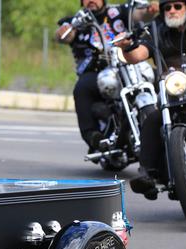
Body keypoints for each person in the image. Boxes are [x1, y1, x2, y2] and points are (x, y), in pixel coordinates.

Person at [114, 0, 186, 199]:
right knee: (152, 121)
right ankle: (148, 174)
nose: (172, 11)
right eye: (167, 8)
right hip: (175, 91)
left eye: (177, 6)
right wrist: (126, 46)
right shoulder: (156, 31)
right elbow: (137, 54)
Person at [56, 0, 133, 152]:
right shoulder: (78, 21)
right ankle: (92, 135)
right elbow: (64, 35)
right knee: (82, 88)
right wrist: (64, 33)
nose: (91, 0)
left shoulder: (118, 12)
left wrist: (150, 9)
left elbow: (138, 14)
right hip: (94, 72)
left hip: (124, 68)